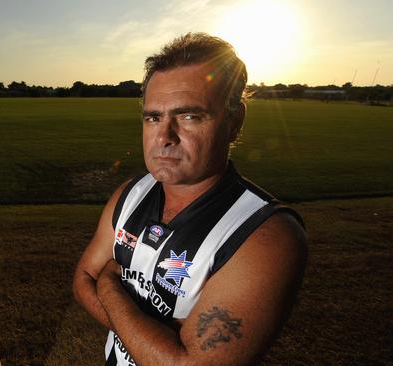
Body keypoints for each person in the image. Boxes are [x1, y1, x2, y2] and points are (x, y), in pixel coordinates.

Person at [73, 33, 307, 365]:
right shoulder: (131, 194)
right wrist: (154, 341)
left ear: (234, 123)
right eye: (153, 117)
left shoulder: (266, 236)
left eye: (189, 116)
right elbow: (82, 279)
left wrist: (110, 284)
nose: (164, 137)